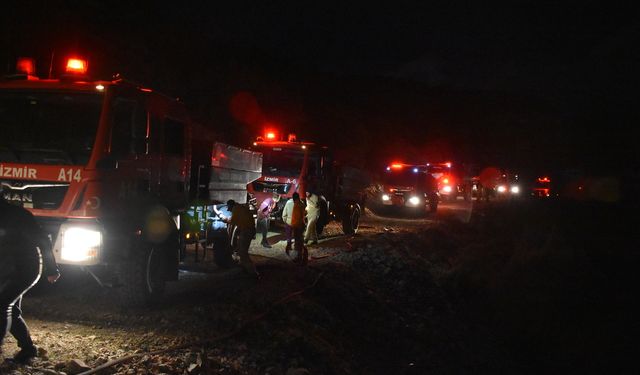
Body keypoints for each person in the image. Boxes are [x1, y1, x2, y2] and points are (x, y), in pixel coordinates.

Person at [1, 195, 60, 364]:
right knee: (11, 309)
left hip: (24, 269)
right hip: (6, 268)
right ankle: (28, 349)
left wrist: (52, 268)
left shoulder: (18, 215)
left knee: (2, 304)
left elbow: (43, 241)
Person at [223, 199, 260, 279]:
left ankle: (253, 272)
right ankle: (244, 268)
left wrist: (226, 220)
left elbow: (232, 222)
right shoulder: (240, 207)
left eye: (229, 208)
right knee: (240, 249)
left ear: (230, 206)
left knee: (243, 252)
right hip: (248, 230)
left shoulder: (236, 209)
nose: (229, 210)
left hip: (247, 230)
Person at [288, 193, 307, 265]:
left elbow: (298, 216)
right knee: (299, 241)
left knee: (298, 242)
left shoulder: (297, 205)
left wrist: (294, 225)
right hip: (299, 225)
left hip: (297, 226)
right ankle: (300, 256)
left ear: (294, 198)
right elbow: (304, 214)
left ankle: (299, 257)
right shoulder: (301, 204)